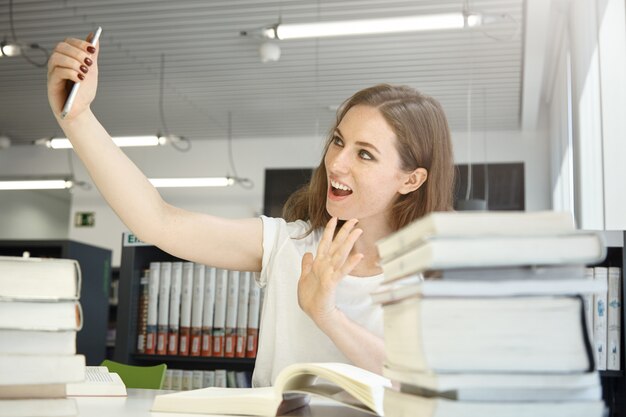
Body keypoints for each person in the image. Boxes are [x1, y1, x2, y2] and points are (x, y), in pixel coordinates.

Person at [47, 35, 455, 387]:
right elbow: (158, 222)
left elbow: (417, 385)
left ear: (411, 180)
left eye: (364, 154)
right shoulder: (286, 245)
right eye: (337, 141)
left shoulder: (436, 276)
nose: (337, 163)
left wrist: (325, 313)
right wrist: (78, 118)